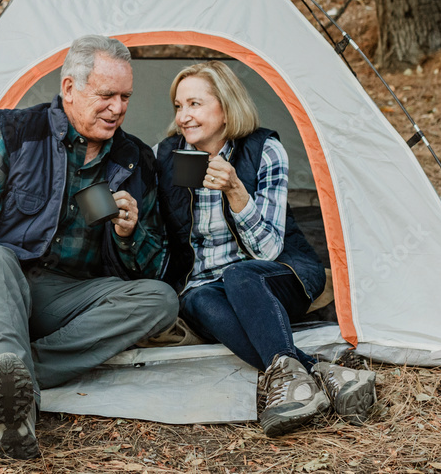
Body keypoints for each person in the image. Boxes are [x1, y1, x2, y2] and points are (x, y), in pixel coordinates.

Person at [0, 35, 177, 459]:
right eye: (106, 95)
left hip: (69, 298)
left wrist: (129, 234)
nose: (118, 108)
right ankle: (16, 418)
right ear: (69, 89)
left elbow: (150, 271)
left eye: (125, 97)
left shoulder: (135, 160)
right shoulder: (16, 135)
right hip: (3, 289)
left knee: (161, 299)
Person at [155, 61, 376, 438]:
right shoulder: (166, 154)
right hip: (206, 284)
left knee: (239, 275)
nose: (184, 117)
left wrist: (236, 191)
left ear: (225, 108)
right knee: (196, 300)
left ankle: (300, 384)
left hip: (272, 275)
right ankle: (323, 373)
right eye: (179, 106)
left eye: (195, 104)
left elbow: (269, 250)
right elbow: (165, 236)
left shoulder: (264, 150)